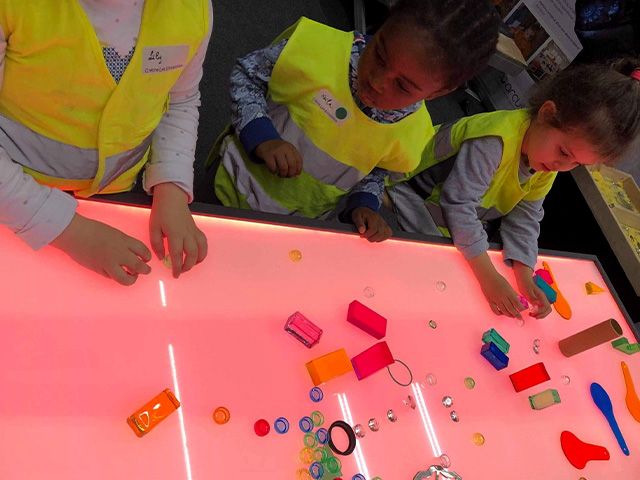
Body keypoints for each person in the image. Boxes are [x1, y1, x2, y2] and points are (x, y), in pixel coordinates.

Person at [348, 59, 640, 318]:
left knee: (460, 280)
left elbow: (526, 215)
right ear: (547, 113)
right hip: (407, 195)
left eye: (576, 163)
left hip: (449, 219)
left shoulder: (547, 160)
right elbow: (458, 206)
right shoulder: (493, 141)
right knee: (429, 286)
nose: (563, 166)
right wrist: (489, 277)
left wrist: (524, 273)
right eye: (564, 153)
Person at [210, 0, 501, 219]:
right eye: (379, 54)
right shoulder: (315, 46)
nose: (376, 81)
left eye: (402, 86)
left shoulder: (415, 133)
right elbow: (247, 75)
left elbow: (378, 170)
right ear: (384, 24)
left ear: (439, 93)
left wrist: (364, 204)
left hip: (297, 220)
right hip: (228, 186)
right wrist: (262, 136)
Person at [0, 0, 212, 285]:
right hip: (16, 197)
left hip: (117, 196)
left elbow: (179, 99)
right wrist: (73, 232)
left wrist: (171, 186)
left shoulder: (191, 10)